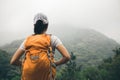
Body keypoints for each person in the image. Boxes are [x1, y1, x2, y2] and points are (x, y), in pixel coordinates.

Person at [10, 13, 71, 80]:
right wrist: (55, 64)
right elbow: (67, 57)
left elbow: (13, 61)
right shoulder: (52, 38)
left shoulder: (27, 40)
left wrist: (27, 64)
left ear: (34, 25)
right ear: (47, 25)